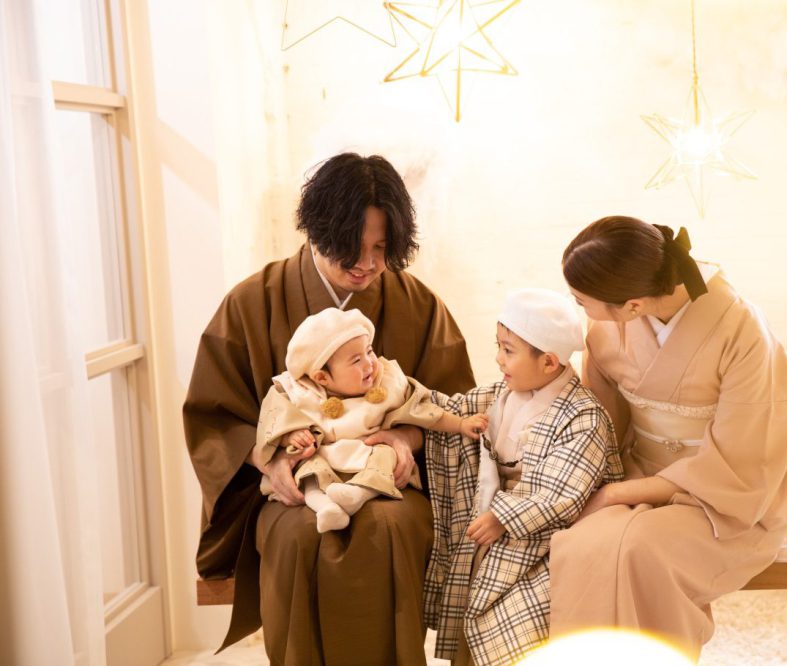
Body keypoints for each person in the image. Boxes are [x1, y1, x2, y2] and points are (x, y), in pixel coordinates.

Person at [183, 152, 475, 665]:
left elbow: (455, 405)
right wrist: (270, 460)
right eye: (351, 247)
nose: (367, 264)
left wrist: (406, 438)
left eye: (381, 248)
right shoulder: (252, 302)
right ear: (317, 231)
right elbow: (216, 417)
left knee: (387, 528)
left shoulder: (417, 304)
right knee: (298, 536)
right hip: (295, 488)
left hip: (390, 484)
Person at [550, 216, 787, 660]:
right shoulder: (609, 326)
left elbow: (745, 459)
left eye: (581, 301)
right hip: (638, 474)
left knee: (642, 549)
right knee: (582, 544)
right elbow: (599, 420)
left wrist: (615, 495)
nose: (580, 310)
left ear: (632, 306)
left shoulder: (742, 330)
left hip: (729, 495)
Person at [423, 288, 625, 666]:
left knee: (511, 610)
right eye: (498, 346)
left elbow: (562, 491)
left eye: (508, 350)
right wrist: (404, 416)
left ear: (548, 362)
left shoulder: (584, 416)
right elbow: (453, 409)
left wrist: (503, 517)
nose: (498, 359)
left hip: (544, 536)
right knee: (468, 578)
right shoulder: (502, 393)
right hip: (492, 520)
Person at [254, 307, 487, 531]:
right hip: (324, 455)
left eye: (369, 351)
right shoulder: (300, 393)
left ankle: (357, 495)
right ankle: (324, 506)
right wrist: (290, 436)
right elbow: (275, 420)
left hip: (367, 452)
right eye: (356, 360)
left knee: (386, 455)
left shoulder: (388, 382)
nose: (370, 363)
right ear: (322, 378)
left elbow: (424, 410)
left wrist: (460, 424)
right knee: (307, 468)